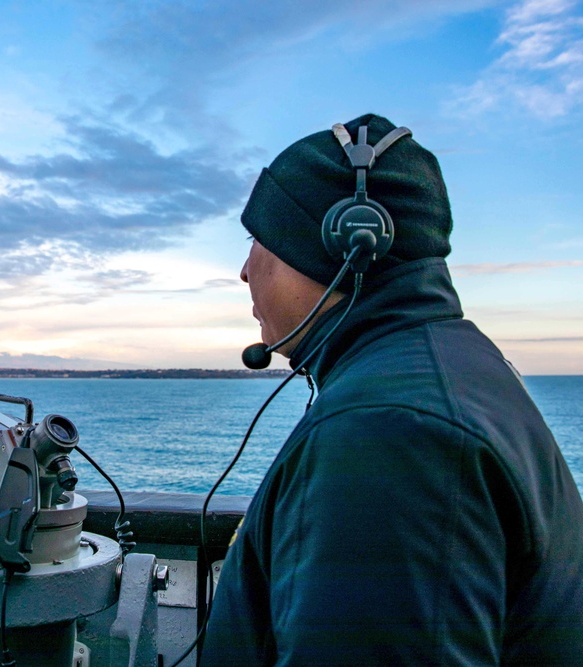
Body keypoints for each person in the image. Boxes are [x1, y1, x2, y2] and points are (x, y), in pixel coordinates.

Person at [201, 113, 583, 665]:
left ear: (345, 245)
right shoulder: (452, 369)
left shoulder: (390, 433)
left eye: (258, 238)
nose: (243, 270)